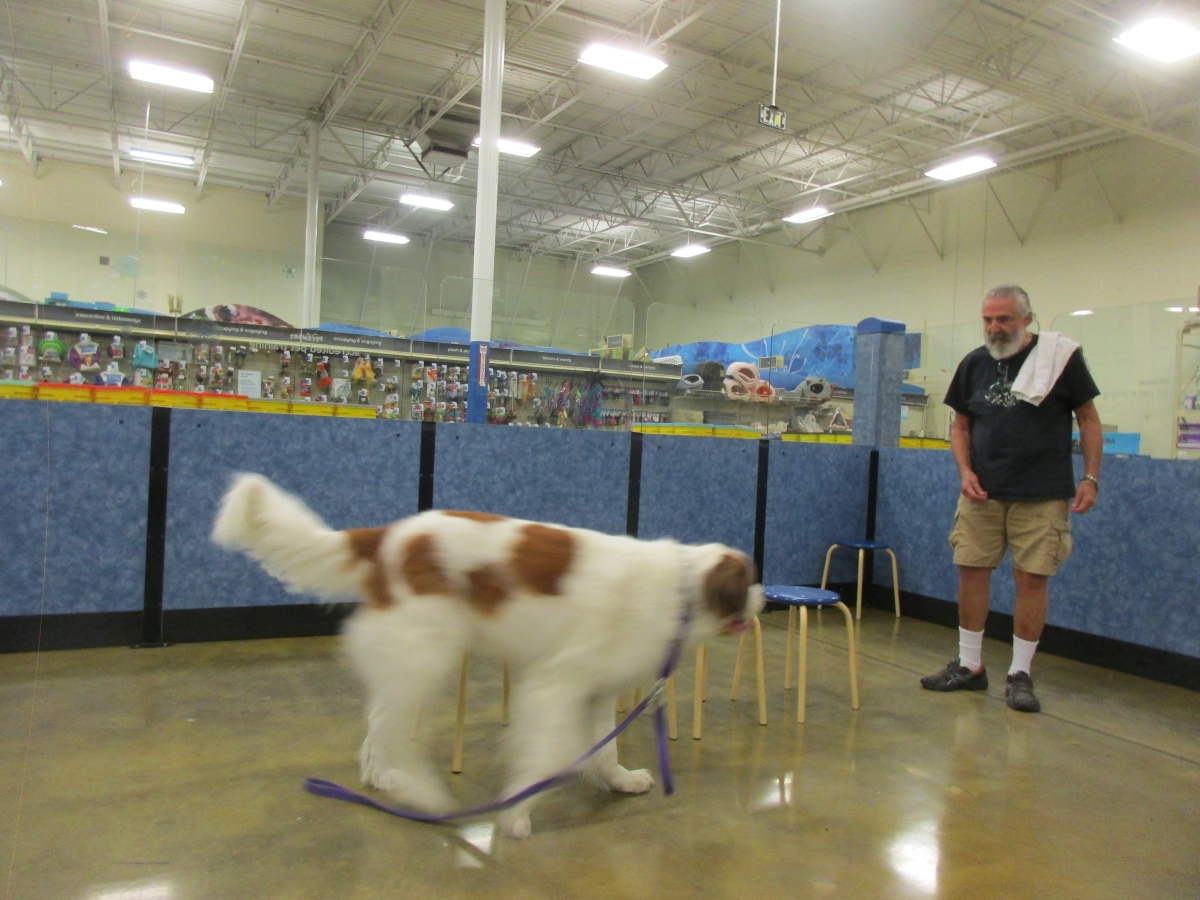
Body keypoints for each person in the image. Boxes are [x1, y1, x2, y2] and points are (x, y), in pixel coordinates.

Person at [921, 285, 1102, 712]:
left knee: (1032, 578)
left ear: (1026, 318)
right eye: (988, 319)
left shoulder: (1060, 359)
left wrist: (1091, 477)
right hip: (982, 493)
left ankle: (1020, 674)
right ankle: (970, 665)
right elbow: (960, 426)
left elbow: (1088, 419)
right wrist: (965, 471)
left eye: (1003, 319)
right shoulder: (974, 363)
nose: (994, 327)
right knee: (971, 570)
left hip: (1042, 492)